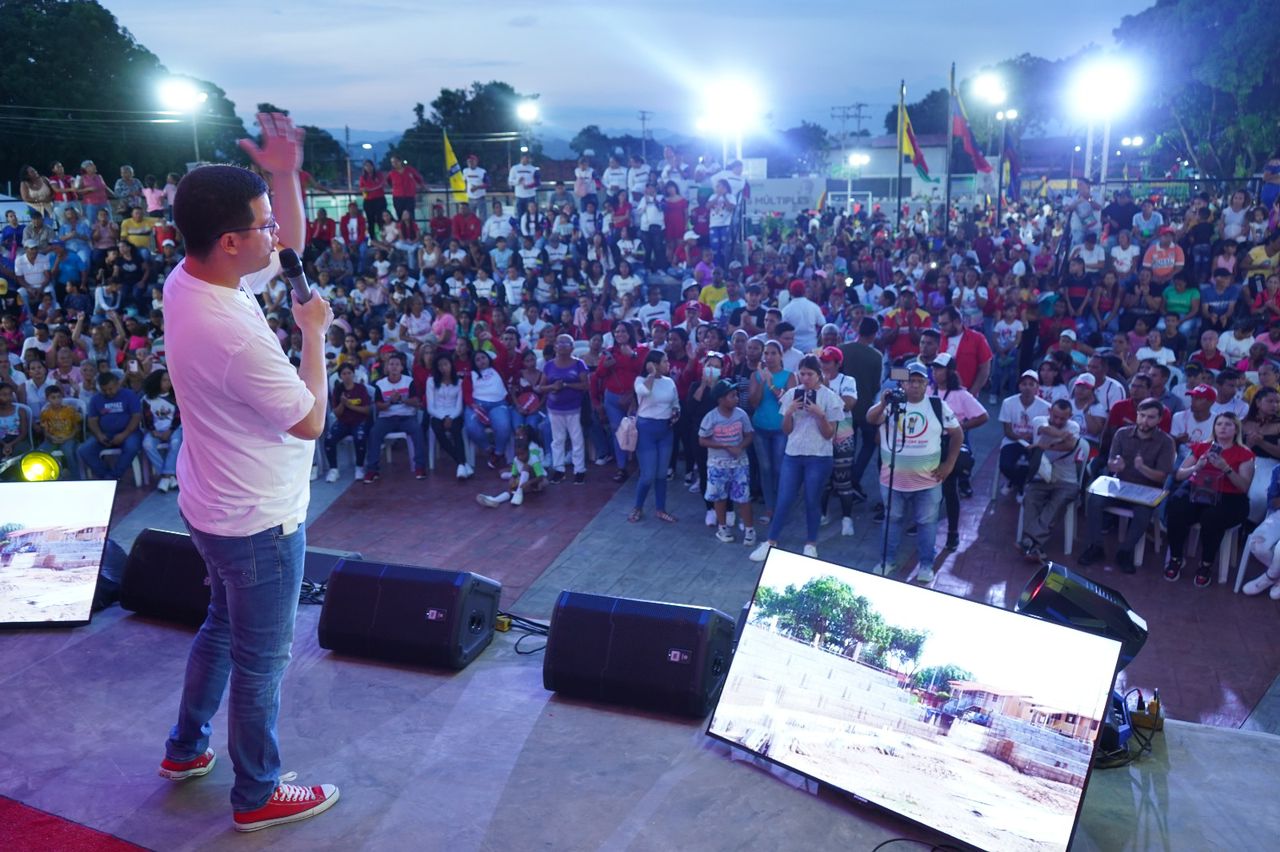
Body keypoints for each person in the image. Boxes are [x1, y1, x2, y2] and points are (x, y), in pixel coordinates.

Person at [158, 115, 339, 832]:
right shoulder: (232, 331)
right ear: (231, 241)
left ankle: (184, 750)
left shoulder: (189, 278)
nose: (276, 236)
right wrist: (313, 335)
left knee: (221, 632)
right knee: (262, 663)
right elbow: (309, 420)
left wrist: (285, 175)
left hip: (212, 501)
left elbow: (287, 242)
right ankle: (257, 792)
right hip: (260, 519)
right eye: (262, 226)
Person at [863, 362, 963, 583]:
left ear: (927, 384)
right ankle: (887, 561)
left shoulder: (937, 406)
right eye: (911, 381)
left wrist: (949, 464)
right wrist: (882, 403)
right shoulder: (891, 404)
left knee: (927, 523)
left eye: (920, 381)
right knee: (893, 520)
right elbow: (870, 419)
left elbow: (957, 434)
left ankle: (927, 564)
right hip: (892, 481)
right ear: (903, 383)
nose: (915, 385)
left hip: (928, 481)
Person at [749, 355, 846, 562]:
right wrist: (788, 413)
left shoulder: (830, 397)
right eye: (801, 374)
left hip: (819, 456)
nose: (805, 378)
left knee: (812, 499)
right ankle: (770, 541)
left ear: (818, 374)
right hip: (793, 454)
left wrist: (819, 415)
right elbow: (786, 430)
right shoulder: (792, 394)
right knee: (784, 498)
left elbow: (830, 435)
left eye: (809, 374)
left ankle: (811, 543)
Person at [1078, 400, 1177, 573]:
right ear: (1137, 414)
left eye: (1151, 417)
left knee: (1143, 512)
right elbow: (1111, 462)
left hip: (1147, 488)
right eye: (1142, 416)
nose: (1145, 421)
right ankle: (1096, 547)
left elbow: (1162, 476)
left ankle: (1125, 552)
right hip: (1120, 485)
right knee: (1094, 500)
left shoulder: (1166, 442)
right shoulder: (1122, 434)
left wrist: (1143, 468)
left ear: (1159, 419)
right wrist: (1115, 465)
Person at [1164, 413, 1255, 587]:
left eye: (1228, 424)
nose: (1222, 427)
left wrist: (1226, 468)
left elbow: (1243, 486)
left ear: (1236, 429)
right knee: (1177, 505)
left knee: (1212, 517)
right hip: (1198, 489)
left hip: (1229, 496)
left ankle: (1206, 564)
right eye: (1219, 424)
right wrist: (1196, 467)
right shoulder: (1202, 447)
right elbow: (1179, 475)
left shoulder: (1245, 454)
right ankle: (1176, 558)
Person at [929, 352, 988, 545]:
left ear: (949, 371)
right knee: (926, 488)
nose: (935, 372)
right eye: (934, 368)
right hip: (929, 445)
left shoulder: (961, 394)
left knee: (949, 489)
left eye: (939, 369)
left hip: (949, 445)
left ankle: (952, 532)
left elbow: (983, 416)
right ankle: (925, 523)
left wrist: (961, 427)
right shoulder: (928, 390)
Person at [1019, 400, 1083, 562]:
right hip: (1041, 476)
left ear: (1070, 416)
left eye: (1063, 419)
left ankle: (1030, 541)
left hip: (1066, 480)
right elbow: (1045, 429)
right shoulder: (1038, 420)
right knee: (1031, 498)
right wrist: (1061, 435)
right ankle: (1034, 546)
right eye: (1056, 417)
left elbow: (1069, 446)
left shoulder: (1074, 426)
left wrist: (1043, 446)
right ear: (1050, 412)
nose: (1059, 421)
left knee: (1057, 503)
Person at [699, 378, 756, 545]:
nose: (736, 398)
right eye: (732, 395)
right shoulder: (711, 417)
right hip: (717, 465)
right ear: (721, 399)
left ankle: (749, 529)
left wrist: (740, 446)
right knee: (719, 497)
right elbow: (702, 440)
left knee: (743, 497)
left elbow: (749, 434)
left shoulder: (741, 415)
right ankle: (723, 527)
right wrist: (723, 445)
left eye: (736, 395)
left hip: (739, 464)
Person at [629, 349, 680, 523]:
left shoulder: (670, 382)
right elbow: (643, 392)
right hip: (646, 430)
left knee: (661, 474)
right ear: (654, 364)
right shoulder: (641, 380)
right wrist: (650, 375)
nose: (668, 364)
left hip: (665, 430)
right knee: (648, 474)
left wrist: (675, 412)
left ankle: (660, 509)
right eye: (665, 362)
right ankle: (637, 507)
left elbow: (675, 402)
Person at [816, 345, 859, 536]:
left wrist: (826, 390)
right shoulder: (814, 380)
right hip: (820, 436)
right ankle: (822, 513)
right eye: (822, 362)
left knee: (843, 480)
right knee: (822, 479)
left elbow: (849, 404)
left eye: (828, 362)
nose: (824, 366)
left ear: (838, 363)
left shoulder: (847, 380)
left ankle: (847, 519)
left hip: (843, 437)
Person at [540, 334, 590, 484]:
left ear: (572, 348)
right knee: (557, 440)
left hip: (574, 408)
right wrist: (552, 387)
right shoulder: (549, 365)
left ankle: (579, 470)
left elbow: (585, 385)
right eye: (559, 343)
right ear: (555, 346)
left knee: (577, 439)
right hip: (554, 409)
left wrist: (567, 385)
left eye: (566, 343)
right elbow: (541, 387)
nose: (561, 345)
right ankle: (559, 469)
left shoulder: (579, 364)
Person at [77, 371, 142, 481]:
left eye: (110, 389)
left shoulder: (129, 395)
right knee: (84, 450)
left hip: (129, 433)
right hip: (105, 434)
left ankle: (115, 475)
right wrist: (99, 434)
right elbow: (92, 420)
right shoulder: (96, 399)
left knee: (131, 447)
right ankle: (106, 475)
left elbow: (136, 416)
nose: (108, 392)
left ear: (117, 384)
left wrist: (124, 434)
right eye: (104, 390)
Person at [998, 370, 1051, 497]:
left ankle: (1017, 484)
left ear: (1037, 387)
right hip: (1013, 441)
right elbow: (1008, 431)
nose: (1027, 387)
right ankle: (1019, 483)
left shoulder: (1046, 407)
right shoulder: (1008, 403)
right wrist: (1021, 438)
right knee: (1005, 465)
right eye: (1024, 384)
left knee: (1033, 466)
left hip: (1034, 444)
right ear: (1019, 386)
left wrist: (1032, 441)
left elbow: (1045, 432)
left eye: (1031, 384)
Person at [323, 362, 371, 482]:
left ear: (353, 374)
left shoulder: (361, 389)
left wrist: (350, 405)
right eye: (344, 373)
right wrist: (343, 404)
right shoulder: (338, 390)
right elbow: (337, 413)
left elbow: (367, 410)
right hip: (343, 422)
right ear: (340, 376)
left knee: (360, 438)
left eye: (349, 373)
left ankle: (359, 466)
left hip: (359, 420)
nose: (347, 376)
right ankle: (333, 469)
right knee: (329, 439)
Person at [476, 428, 546, 507]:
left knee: (526, 467)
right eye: (518, 455)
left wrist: (529, 483)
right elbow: (514, 475)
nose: (520, 457)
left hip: (537, 482)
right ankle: (495, 500)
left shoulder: (534, 459)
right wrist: (512, 482)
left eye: (522, 454)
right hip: (524, 482)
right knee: (511, 490)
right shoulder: (516, 460)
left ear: (528, 451)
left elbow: (541, 477)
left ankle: (518, 492)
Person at [1240, 464, 1280, 599]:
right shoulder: (1278, 470)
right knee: (1257, 543)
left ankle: (1269, 577)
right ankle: (1276, 577)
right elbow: (1272, 503)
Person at [141, 368, 182, 493]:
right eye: (164, 380)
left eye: (169, 380)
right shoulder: (147, 399)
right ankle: (168, 476)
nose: (168, 383)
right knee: (147, 444)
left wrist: (170, 431)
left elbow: (178, 417)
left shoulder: (175, 397)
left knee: (175, 443)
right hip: (155, 430)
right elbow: (147, 418)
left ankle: (165, 476)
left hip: (173, 428)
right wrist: (154, 432)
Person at [36, 385, 81, 478]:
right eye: (53, 398)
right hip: (51, 439)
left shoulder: (70, 410)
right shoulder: (45, 413)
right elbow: (45, 431)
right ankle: (46, 476)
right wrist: (51, 437)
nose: (56, 400)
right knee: (40, 452)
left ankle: (76, 477)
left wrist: (68, 437)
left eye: (59, 397)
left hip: (68, 437)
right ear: (47, 399)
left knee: (69, 452)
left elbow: (77, 428)